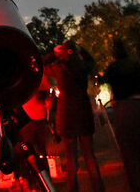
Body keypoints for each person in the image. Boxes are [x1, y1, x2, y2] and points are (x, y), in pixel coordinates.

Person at [102, 38, 140, 191]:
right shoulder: (134, 65)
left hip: (123, 109)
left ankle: (136, 185)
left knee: (130, 151)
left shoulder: (112, 68)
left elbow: (105, 81)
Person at [45, 40, 105, 192]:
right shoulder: (83, 67)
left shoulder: (58, 67)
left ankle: (73, 189)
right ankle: (98, 188)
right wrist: (81, 49)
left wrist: (55, 52)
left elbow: (43, 63)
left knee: (71, 159)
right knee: (89, 156)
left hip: (66, 116)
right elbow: (91, 61)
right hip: (83, 112)